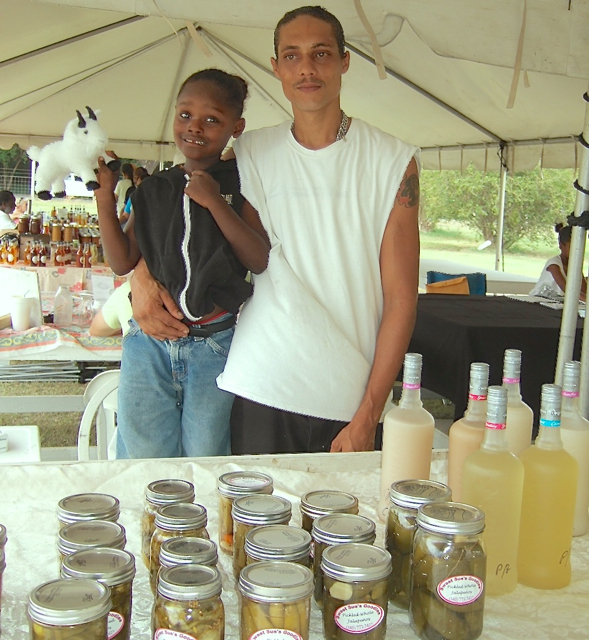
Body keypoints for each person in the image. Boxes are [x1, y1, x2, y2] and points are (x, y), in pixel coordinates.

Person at [130, 6, 420, 455]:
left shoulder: (393, 162)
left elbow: (402, 298)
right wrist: (141, 275)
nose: (306, 67)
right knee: (251, 522)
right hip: (260, 381)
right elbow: (180, 215)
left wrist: (369, 413)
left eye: (321, 53)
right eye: (292, 55)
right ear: (276, 67)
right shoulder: (250, 152)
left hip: (346, 389)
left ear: (344, 61)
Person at [94, 69, 270, 459]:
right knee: (142, 451)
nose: (195, 127)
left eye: (212, 119)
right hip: (148, 344)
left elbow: (257, 258)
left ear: (236, 127)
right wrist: (105, 200)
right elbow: (122, 261)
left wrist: (216, 202)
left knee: (205, 454)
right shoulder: (154, 188)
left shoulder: (242, 184)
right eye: (185, 115)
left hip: (215, 344)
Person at [530, 223, 587, 301]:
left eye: (579, 247)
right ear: (561, 246)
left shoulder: (575, 266)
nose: (576, 250)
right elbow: (567, 290)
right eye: (571, 247)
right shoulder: (553, 265)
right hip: (538, 302)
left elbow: (584, 290)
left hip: (557, 304)